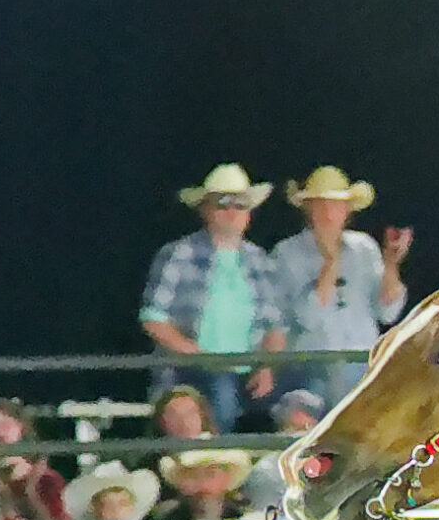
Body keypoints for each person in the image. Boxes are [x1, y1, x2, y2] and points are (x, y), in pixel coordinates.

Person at [138, 164, 290, 433]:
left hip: (249, 371)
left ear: (250, 213)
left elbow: (276, 327)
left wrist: (266, 366)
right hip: (188, 369)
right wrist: (196, 354)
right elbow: (153, 319)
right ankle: (215, 462)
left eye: (240, 204)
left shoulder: (260, 260)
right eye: (222, 203)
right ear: (205, 210)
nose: (232, 211)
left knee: (297, 401)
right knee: (222, 396)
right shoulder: (178, 254)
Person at [269, 166, 411, 410]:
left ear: (348, 211)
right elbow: (308, 317)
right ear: (308, 210)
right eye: (320, 205)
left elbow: (387, 312)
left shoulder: (364, 248)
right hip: (311, 366)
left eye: (335, 205)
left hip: (363, 362)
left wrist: (390, 263)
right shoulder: (286, 253)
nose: (328, 213)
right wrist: (330, 264)